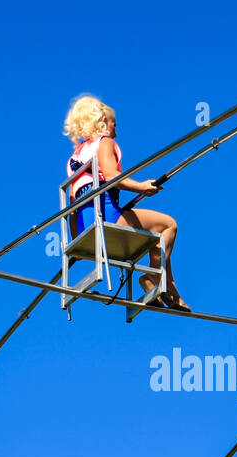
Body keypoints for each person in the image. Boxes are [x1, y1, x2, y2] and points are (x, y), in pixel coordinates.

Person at [63, 95, 189, 309]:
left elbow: (71, 207)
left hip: (86, 230)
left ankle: (166, 283)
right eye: (114, 123)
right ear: (103, 119)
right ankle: (154, 277)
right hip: (108, 221)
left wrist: (78, 242)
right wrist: (142, 187)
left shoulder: (74, 158)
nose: (116, 130)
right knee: (168, 225)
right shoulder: (105, 143)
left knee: (155, 233)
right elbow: (112, 175)